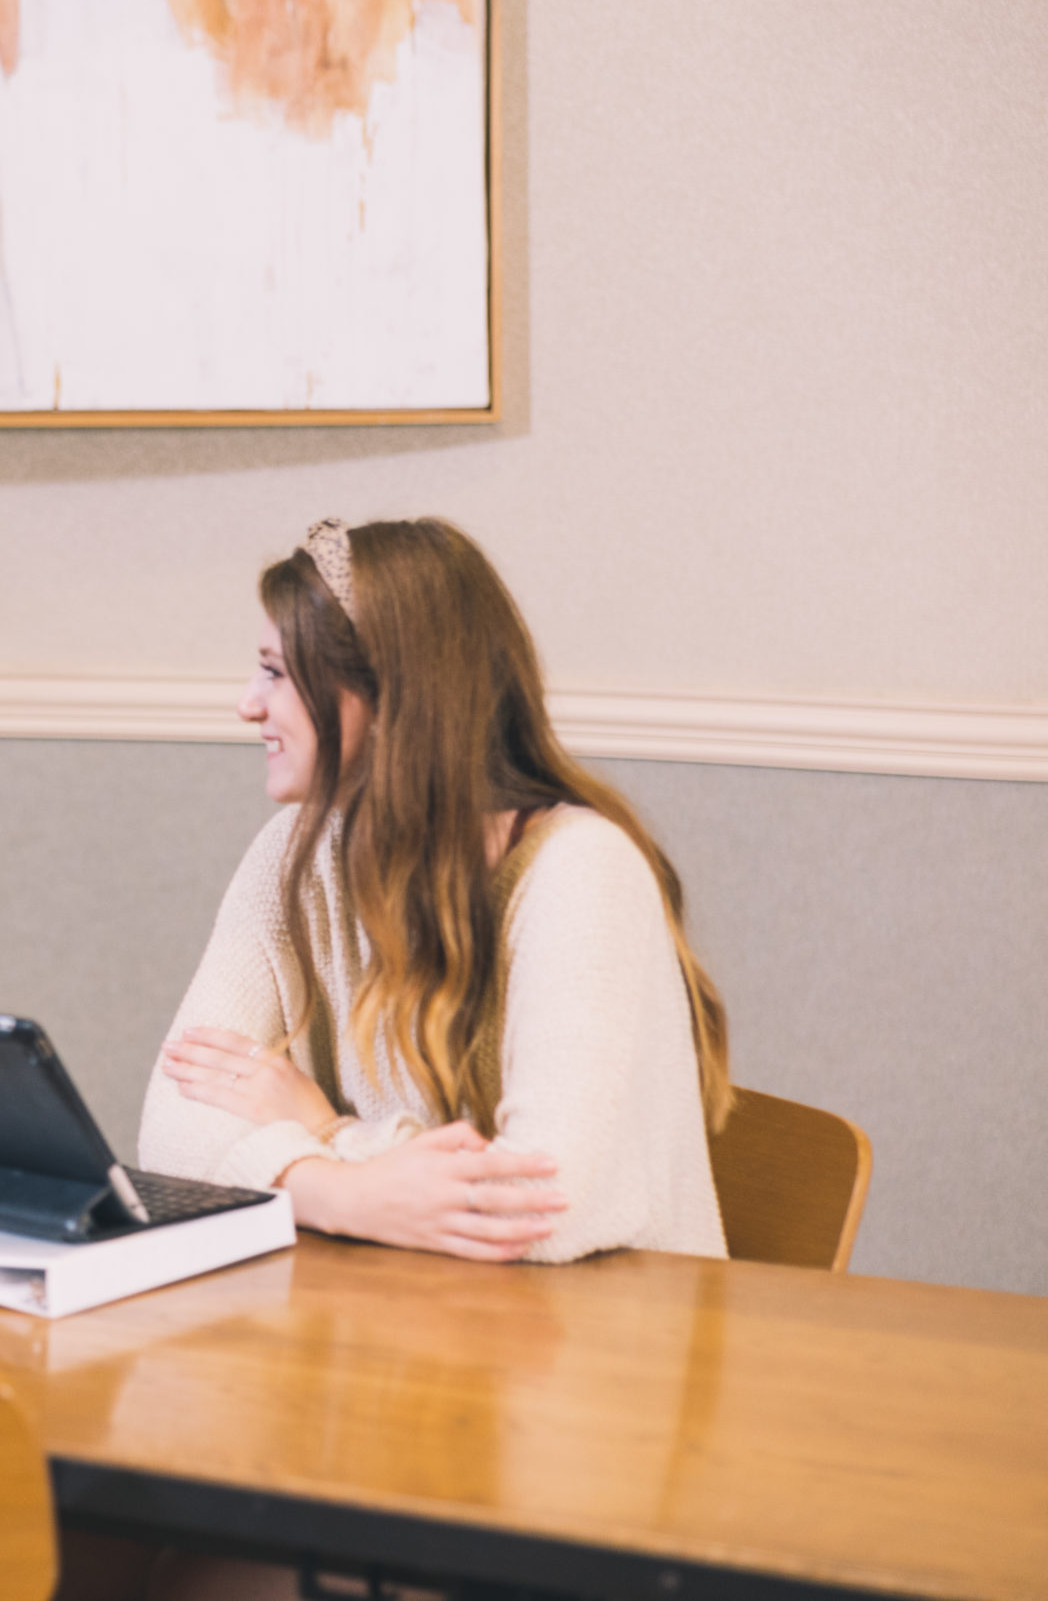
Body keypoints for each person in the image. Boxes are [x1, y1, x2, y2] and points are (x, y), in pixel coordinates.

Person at [137, 517, 730, 1264]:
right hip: (423, 1323)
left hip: (600, 1348)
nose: (248, 705)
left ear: (388, 700)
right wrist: (338, 1192)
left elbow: (543, 1209)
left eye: (277, 673)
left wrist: (327, 1131)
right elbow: (170, 1122)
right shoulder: (299, 851)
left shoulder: (581, 871)